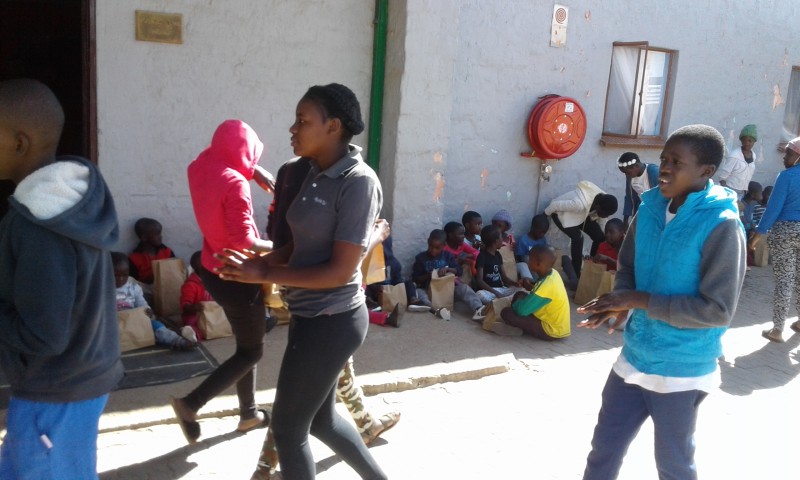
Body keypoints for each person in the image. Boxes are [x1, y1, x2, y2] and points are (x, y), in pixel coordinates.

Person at [215, 83, 388, 480]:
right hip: (310, 315)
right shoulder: (313, 172)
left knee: (288, 430)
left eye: (302, 121)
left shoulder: (358, 182)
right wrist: (257, 263)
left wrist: (266, 273)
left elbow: (340, 270)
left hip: (333, 320)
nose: (293, 129)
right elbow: (300, 244)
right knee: (321, 421)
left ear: (333, 126)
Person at [577, 124, 747, 480]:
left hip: (682, 368)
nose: (665, 168)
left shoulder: (722, 224)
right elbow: (627, 266)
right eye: (664, 159)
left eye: (676, 163)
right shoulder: (651, 207)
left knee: (673, 465)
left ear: (705, 171)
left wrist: (639, 299)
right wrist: (620, 301)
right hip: (635, 356)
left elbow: (716, 310)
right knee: (603, 450)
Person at [0, 79, 124, 479]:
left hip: (54, 391)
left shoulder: (39, 224)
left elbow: (44, 335)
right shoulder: (73, 200)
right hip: (81, 378)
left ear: (19, 143)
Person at [171, 119, 273, 444]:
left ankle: (249, 414)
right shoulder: (235, 184)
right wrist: (282, 248)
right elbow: (245, 241)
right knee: (251, 352)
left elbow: (220, 158)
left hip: (212, 269)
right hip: (239, 276)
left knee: (246, 344)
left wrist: (253, 171)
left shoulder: (199, 167)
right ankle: (190, 404)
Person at [749, 136, 800, 343]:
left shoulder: (786, 177)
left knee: (784, 281)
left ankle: (777, 330)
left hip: (785, 232)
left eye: (789, 154)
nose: (784, 157)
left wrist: (757, 235)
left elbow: (773, 209)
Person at [112, 252, 197, 349]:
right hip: (114, 323)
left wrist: (146, 310)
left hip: (134, 320)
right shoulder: (102, 290)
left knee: (156, 325)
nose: (121, 279)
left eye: (125, 275)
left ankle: (176, 340)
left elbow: (141, 302)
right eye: (116, 275)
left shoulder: (134, 288)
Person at [544, 181, 618, 276]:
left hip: (582, 215)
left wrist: (608, 239)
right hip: (560, 214)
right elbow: (554, 205)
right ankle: (576, 273)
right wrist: (544, 215)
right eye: (606, 214)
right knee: (578, 238)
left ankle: (591, 263)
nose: (606, 216)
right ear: (598, 206)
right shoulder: (579, 203)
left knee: (600, 237)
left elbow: (602, 223)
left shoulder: (604, 201)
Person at [412, 229, 486, 321]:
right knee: (419, 292)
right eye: (431, 246)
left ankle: (478, 309)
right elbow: (416, 278)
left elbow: (459, 271)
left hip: (448, 291)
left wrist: (448, 269)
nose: (433, 250)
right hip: (430, 291)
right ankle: (434, 309)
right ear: (428, 242)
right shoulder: (421, 258)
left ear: (444, 246)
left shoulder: (448, 256)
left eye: (437, 248)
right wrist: (429, 275)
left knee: (464, 288)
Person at [498, 245, 570, 340]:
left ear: (538, 264)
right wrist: (528, 284)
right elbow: (539, 287)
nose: (528, 261)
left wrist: (515, 306)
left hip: (551, 331)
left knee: (506, 312)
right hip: (559, 326)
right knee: (519, 295)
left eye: (530, 259)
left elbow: (521, 311)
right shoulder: (553, 273)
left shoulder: (546, 286)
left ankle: (516, 326)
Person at [475, 224, 520, 304]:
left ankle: (501, 301)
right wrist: (496, 293)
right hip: (488, 291)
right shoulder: (482, 256)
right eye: (501, 237)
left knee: (520, 290)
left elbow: (504, 278)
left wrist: (516, 284)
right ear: (496, 241)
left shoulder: (498, 255)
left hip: (500, 289)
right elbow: (479, 281)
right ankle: (505, 301)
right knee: (480, 295)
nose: (502, 240)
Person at [617, 151, 659, 230]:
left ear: (636, 165)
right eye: (625, 173)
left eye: (628, 173)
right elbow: (629, 197)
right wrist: (626, 220)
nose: (626, 175)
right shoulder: (630, 176)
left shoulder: (654, 172)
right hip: (644, 211)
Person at [128, 217, 176, 285]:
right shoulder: (134, 259)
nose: (160, 237)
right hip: (144, 289)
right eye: (157, 234)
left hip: (168, 286)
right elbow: (132, 281)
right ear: (144, 237)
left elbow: (175, 270)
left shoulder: (166, 252)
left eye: (160, 233)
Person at [180, 251, 215, 341]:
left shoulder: (213, 280)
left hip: (213, 314)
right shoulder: (190, 285)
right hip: (196, 315)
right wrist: (193, 307)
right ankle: (191, 333)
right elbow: (184, 306)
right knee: (194, 324)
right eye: (203, 263)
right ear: (196, 268)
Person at [718, 124, 758, 198]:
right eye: (744, 140)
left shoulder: (754, 156)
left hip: (742, 192)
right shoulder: (734, 155)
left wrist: (745, 189)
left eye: (750, 141)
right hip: (730, 190)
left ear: (754, 141)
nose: (747, 143)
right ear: (741, 140)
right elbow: (722, 178)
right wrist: (727, 193)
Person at [515, 213, 549, 284]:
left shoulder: (542, 239)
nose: (542, 235)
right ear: (533, 228)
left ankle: (545, 279)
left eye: (544, 233)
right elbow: (520, 258)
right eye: (541, 232)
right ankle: (536, 281)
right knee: (528, 258)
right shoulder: (524, 240)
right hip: (529, 265)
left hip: (540, 265)